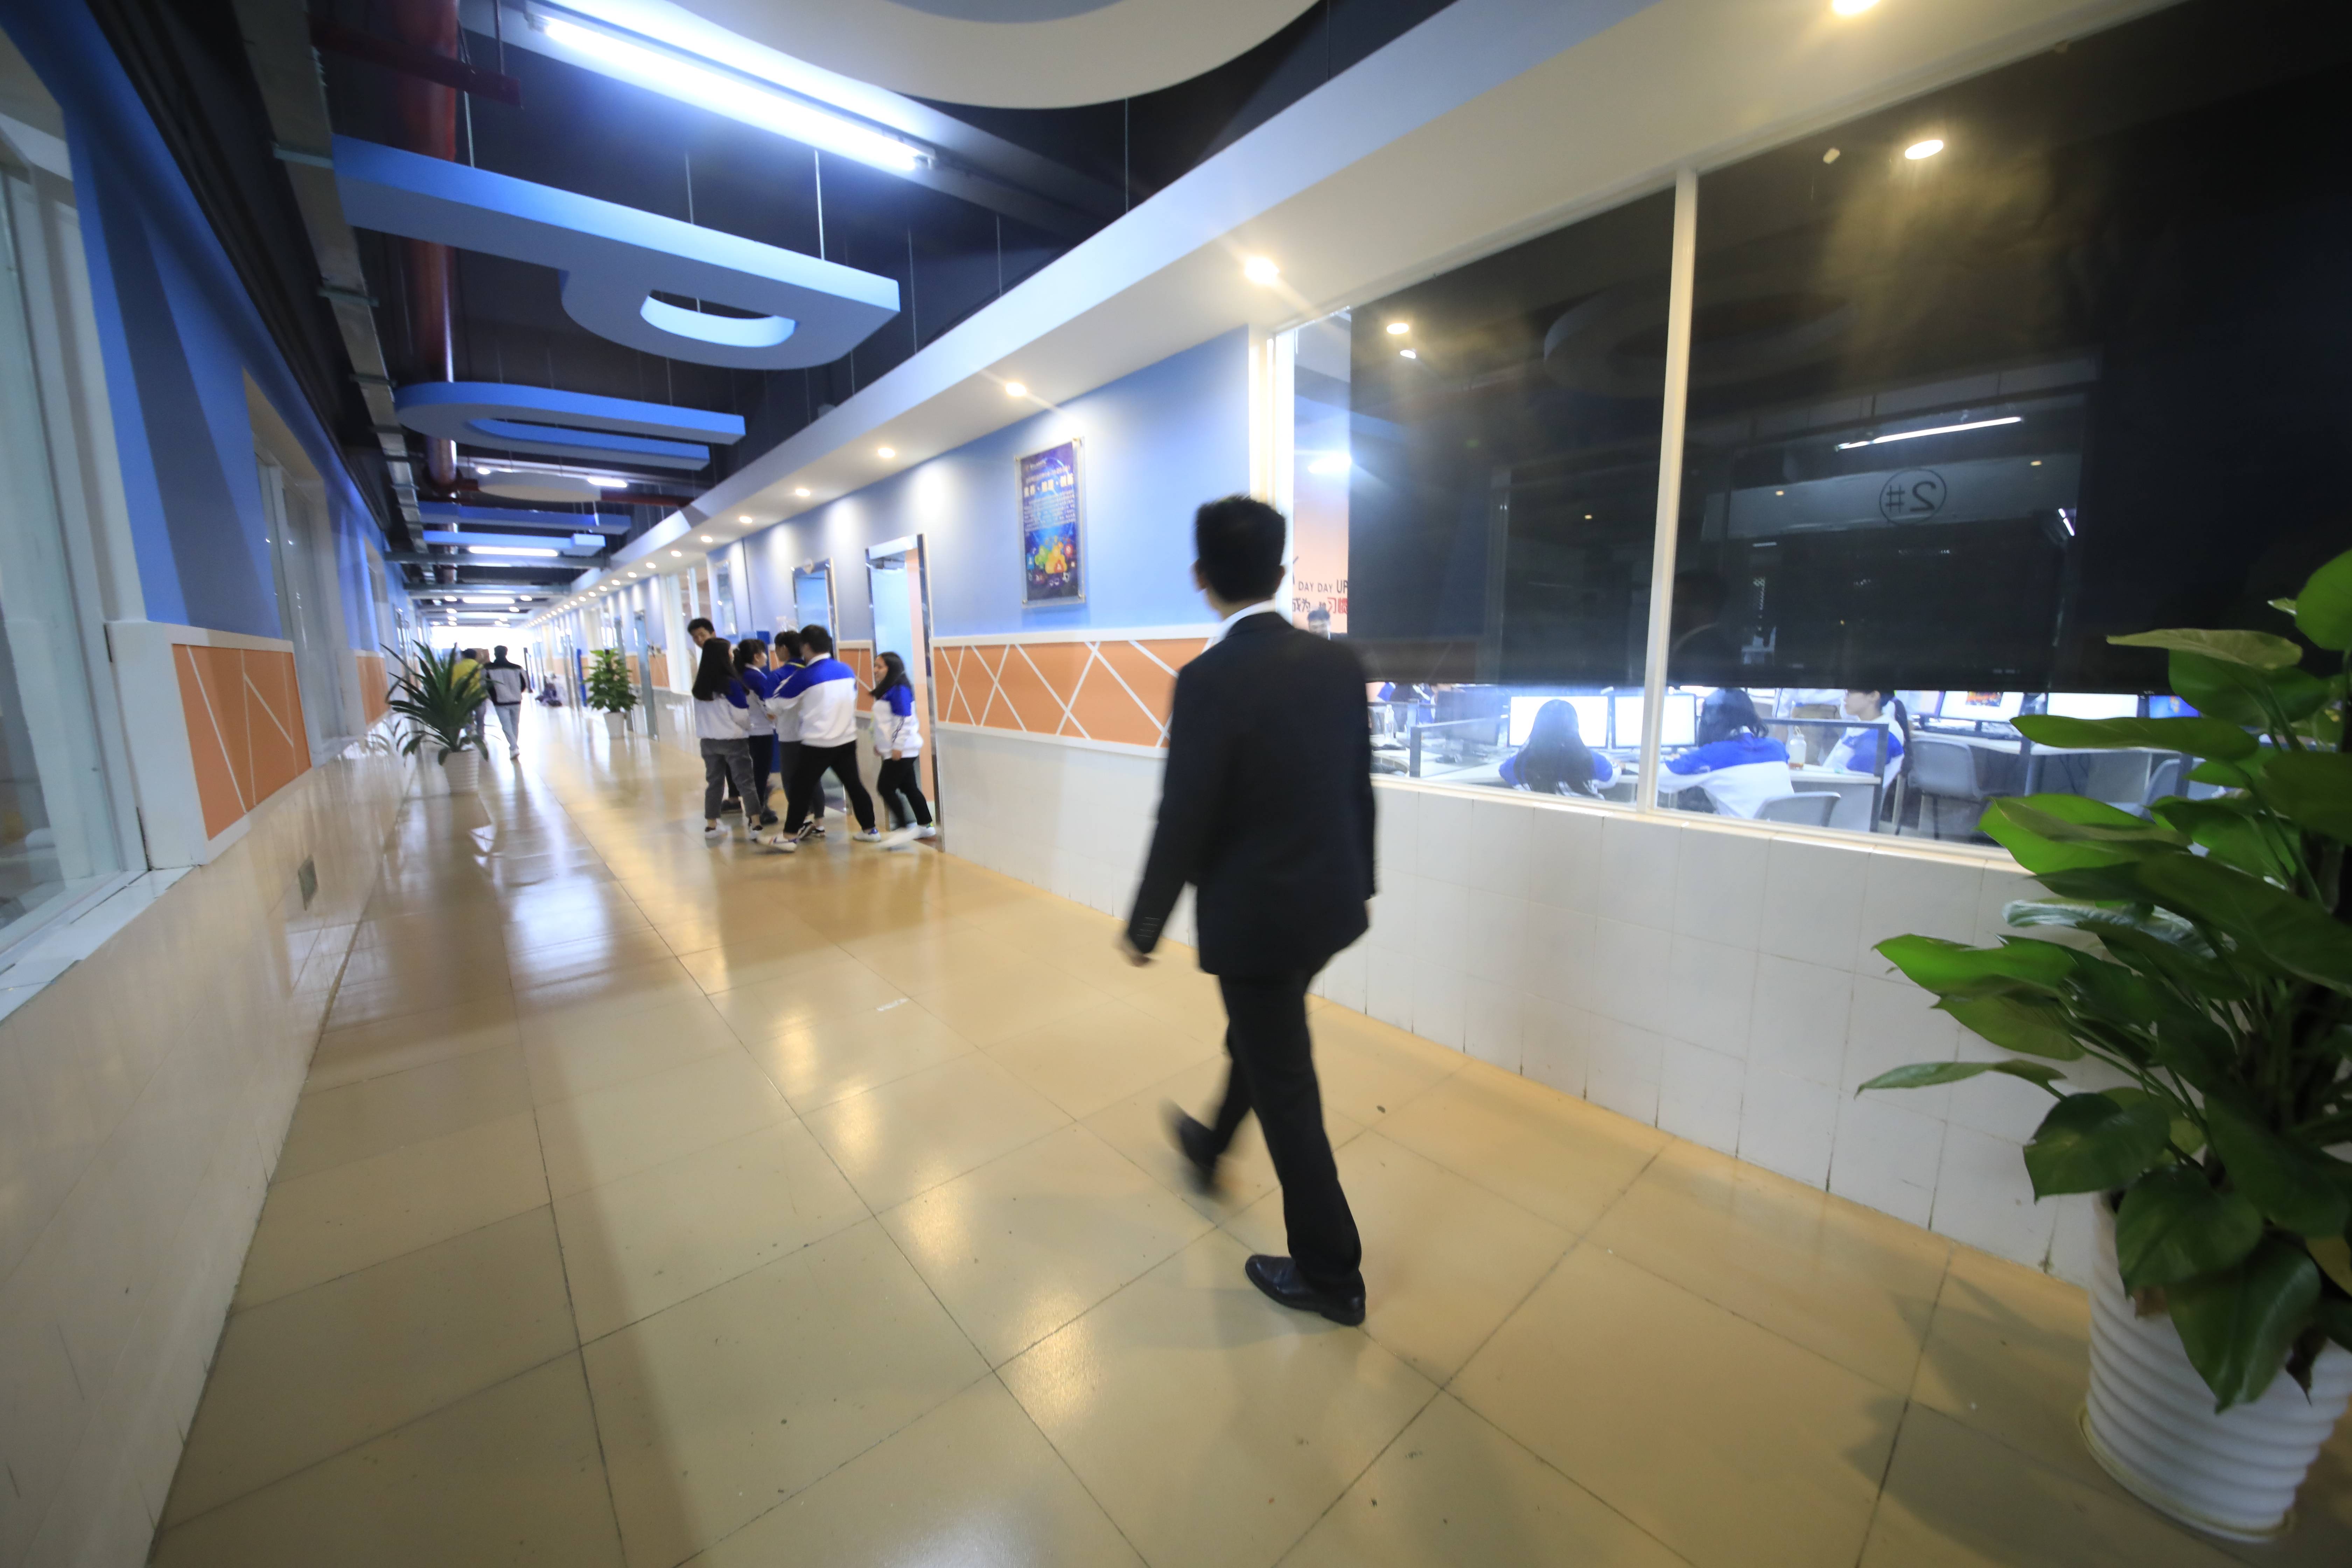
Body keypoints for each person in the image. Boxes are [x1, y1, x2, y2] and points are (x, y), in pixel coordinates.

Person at [1126, 495, 1374, 1327]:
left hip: (1257, 921)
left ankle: (1332, 1274)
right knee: (1264, 1039)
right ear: (1282, 570)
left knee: (1286, 1086)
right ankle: (1209, 1144)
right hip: (1328, 908)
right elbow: (1358, 786)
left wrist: (1146, 923)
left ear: (1201, 577)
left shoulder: (1207, 680)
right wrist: (1362, 883)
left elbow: (1185, 814)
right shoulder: (1340, 664)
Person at [766, 624, 880, 850]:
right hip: (846, 740)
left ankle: (789, 836)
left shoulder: (805, 676)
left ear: (806, 647)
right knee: (855, 786)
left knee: (801, 789)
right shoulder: (846, 670)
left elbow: (774, 705)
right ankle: (870, 830)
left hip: (817, 743)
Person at [1662, 688, 1793, 817]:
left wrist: (1679, 759)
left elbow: (1658, 776)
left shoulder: (1714, 755)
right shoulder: (1778, 748)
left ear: (1710, 720)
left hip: (1741, 831)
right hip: (1782, 829)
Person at [691, 636, 762, 837]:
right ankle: (756, 825)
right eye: (729, 651)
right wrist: (749, 728)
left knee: (714, 783)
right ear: (723, 656)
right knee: (745, 782)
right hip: (733, 741)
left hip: (708, 743)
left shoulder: (700, 686)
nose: (732, 655)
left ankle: (712, 826)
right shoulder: (731, 684)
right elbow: (741, 715)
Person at [869, 651, 935, 838]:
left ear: (892, 668)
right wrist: (880, 744)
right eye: (875, 666)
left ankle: (903, 828)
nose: (875, 670)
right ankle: (925, 825)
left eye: (880, 666)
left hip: (903, 749)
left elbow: (905, 721)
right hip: (895, 749)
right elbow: (885, 722)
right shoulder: (889, 689)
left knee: (885, 788)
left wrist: (897, 746)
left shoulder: (899, 690)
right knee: (909, 788)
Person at [769, 629, 826, 835]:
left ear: (784, 649)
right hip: (813, 734)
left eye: (777, 648)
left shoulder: (777, 676)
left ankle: (802, 821)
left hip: (790, 735)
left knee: (791, 780)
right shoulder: (813, 671)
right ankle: (819, 823)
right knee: (814, 779)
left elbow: (771, 709)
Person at [1499, 699, 1613, 796]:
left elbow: (1504, 771)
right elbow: (1611, 779)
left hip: (1538, 816)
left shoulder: (1518, 764)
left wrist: (1522, 752)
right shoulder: (1592, 760)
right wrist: (1616, 764)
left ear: (1537, 728)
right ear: (1574, 729)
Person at [735, 638, 781, 829]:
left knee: (754, 774)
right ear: (757, 656)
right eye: (764, 653)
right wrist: (779, 719)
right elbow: (768, 706)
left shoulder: (740, 675)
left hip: (746, 731)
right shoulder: (757, 678)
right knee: (761, 774)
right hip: (761, 732)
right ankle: (759, 811)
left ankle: (756, 810)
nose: (766, 657)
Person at [1825, 688, 1910, 778]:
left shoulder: (1881, 734)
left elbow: (1857, 780)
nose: (1844, 699)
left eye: (1849, 694)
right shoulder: (1862, 725)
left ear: (1873, 696)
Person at [481, 645, 527, 759]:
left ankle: (514, 747)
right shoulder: (517, 668)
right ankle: (514, 748)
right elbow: (524, 684)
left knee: (506, 725)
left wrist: (491, 697)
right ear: (506, 653)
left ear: (495, 654)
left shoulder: (487, 669)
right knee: (515, 724)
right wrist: (517, 692)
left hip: (500, 701)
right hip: (516, 700)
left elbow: (484, 685)